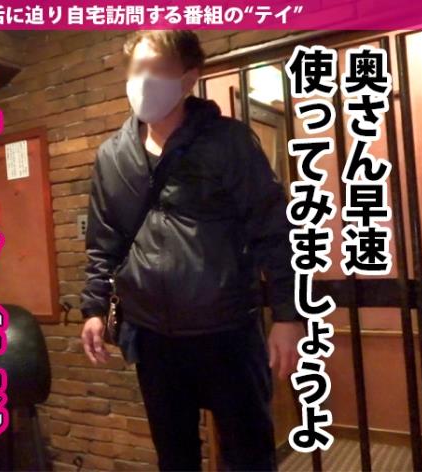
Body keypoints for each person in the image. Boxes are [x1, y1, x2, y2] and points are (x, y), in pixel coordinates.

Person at [79, 31, 305, 471]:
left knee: (249, 456)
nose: (144, 80)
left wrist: (287, 315)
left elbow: (273, 230)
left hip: (228, 330)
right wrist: (94, 308)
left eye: (158, 69)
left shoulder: (228, 142)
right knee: (175, 457)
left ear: (188, 78)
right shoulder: (112, 156)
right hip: (153, 338)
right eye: (137, 69)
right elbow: (104, 242)